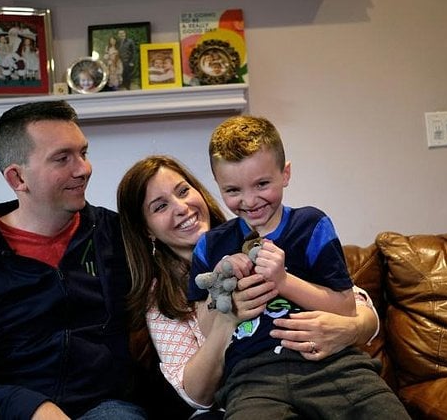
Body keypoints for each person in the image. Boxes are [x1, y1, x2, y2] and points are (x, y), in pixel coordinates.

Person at [0, 101, 146, 420]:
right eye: (62, 158)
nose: (83, 169)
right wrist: (29, 407)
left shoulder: (115, 235)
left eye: (83, 153)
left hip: (105, 409)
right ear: (17, 178)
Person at [117, 155, 384, 419]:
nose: (181, 207)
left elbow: (356, 302)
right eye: (160, 206)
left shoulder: (255, 234)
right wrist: (227, 318)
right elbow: (198, 395)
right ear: (146, 230)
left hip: (320, 371)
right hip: (242, 397)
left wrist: (352, 328)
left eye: (183, 191)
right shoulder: (161, 297)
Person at [188, 116, 410, 418]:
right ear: (217, 186)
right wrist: (224, 282)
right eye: (233, 190)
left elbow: (346, 307)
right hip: (253, 378)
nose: (250, 200)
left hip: (332, 365)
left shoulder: (311, 224)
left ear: (285, 174)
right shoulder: (210, 246)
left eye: (262, 184)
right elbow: (205, 325)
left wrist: (283, 280)